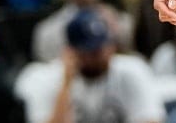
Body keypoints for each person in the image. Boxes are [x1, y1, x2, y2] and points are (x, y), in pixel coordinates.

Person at [14, 7, 166, 123]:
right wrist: (66, 83)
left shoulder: (132, 70)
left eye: (104, 46)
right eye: (91, 51)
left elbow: (151, 119)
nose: (101, 55)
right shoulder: (48, 78)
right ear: (71, 52)